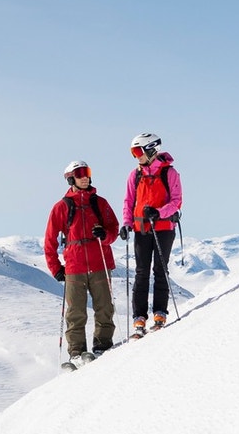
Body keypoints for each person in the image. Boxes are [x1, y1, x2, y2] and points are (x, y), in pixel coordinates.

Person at [44, 160, 119, 368]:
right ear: (71, 178)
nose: (85, 177)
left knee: (104, 307)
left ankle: (102, 346)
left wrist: (104, 235)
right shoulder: (61, 207)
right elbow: (49, 241)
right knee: (76, 312)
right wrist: (56, 268)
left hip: (100, 264)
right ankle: (76, 352)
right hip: (74, 267)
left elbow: (114, 229)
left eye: (87, 172)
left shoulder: (100, 203)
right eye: (79, 173)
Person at [120, 132, 183, 338]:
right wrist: (127, 223)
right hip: (141, 230)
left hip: (163, 229)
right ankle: (139, 318)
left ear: (151, 149)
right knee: (141, 272)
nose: (136, 156)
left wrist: (159, 212)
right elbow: (128, 201)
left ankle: (160, 313)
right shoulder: (135, 175)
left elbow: (176, 201)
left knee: (160, 270)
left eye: (138, 151)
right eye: (133, 152)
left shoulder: (170, 174)